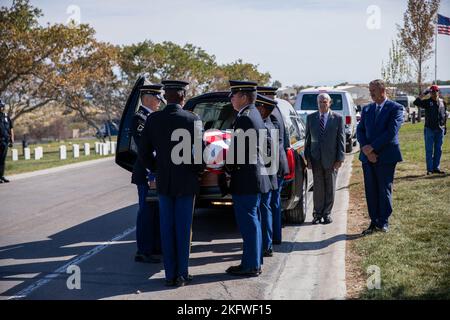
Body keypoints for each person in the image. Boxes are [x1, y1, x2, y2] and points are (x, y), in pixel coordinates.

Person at [138, 80, 205, 287]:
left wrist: (157, 169)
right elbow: (199, 154)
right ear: (183, 97)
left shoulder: (154, 119)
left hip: (164, 182)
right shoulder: (193, 119)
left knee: (167, 228)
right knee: (184, 229)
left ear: (165, 97)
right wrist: (197, 171)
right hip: (186, 182)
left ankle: (169, 275)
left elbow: (143, 152)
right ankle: (182, 274)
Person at [225, 80, 272, 277]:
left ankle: (251, 265)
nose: (231, 99)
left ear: (243, 96)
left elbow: (238, 151)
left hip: (246, 178)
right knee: (254, 221)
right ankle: (252, 262)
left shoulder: (245, 117)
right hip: (254, 176)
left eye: (233, 95)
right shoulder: (253, 114)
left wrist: (226, 166)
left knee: (249, 223)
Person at [357, 79, 403, 235]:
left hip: (386, 155)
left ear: (382, 90)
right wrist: (366, 149)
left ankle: (383, 221)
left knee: (384, 189)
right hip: (367, 157)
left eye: (373, 91)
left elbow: (391, 132)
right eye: (370, 90)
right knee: (371, 190)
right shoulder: (367, 109)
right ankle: (374, 221)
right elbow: (360, 130)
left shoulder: (395, 108)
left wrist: (373, 148)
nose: (370, 94)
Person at [131, 83, 164, 264]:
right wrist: (154, 170)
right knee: (146, 212)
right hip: (146, 172)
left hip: (154, 171)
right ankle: (143, 250)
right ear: (148, 98)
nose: (159, 101)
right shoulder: (140, 118)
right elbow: (146, 147)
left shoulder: (152, 117)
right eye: (157, 98)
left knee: (156, 211)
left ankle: (155, 247)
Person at [304, 93, 345, 225]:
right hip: (316, 159)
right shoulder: (311, 118)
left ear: (329, 103)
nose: (322, 104)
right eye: (320, 102)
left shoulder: (338, 118)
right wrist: (308, 159)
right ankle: (317, 214)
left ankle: (327, 213)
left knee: (330, 187)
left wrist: (340, 159)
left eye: (325, 102)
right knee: (318, 188)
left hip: (332, 159)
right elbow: (307, 140)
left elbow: (341, 140)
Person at [257, 86, 289, 245]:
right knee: (273, 203)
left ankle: (270, 240)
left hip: (272, 165)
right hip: (277, 163)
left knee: (269, 204)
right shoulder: (278, 112)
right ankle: (275, 237)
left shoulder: (272, 116)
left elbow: (271, 144)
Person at [254, 94, 279, 257]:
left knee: (263, 210)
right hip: (269, 174)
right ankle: (267, 244)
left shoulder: (265, 127)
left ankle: (265, 245)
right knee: (266, 209)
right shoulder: (271, 125)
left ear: (262, 109)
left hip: (266, 175)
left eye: (257, 107)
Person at [413, 85, 447, 175]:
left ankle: (436, 168)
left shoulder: (442, 102)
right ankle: (430, 169)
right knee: (429, 150)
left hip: (440, 129)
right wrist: (424, 93)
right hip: (429, 129)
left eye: (435, 91)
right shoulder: (427, 102)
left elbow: (444, 115)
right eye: (432, 92)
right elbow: (416, 102)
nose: (434, 93)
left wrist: (445, 127)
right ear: (430, 93)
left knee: (438, 149)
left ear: (438, 92)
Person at [0, 99, 14, 184]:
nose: (1, 107)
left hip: (5, 141)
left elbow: (11, 128)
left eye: (2, 106)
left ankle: (1, 176)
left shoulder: (6, 116)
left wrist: (12, 138)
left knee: (2, 160)